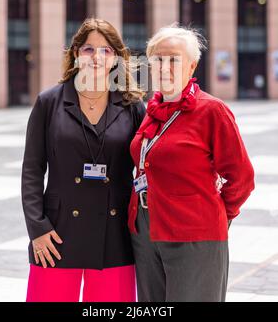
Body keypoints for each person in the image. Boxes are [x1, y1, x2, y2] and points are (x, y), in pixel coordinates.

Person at [21, 18, 146, 302]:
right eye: (89, 49)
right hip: (56, 232)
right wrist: (37, 228)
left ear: (116, 57)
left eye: (106, 50)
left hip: (115, 234)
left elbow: (151, 160)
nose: (97, 57)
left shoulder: (132, 104)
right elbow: (32, 169)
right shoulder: (49, 102)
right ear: (76, 54)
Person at [128, 24, 255, 302]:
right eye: (157, 60)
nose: (163, 67)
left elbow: (242, 177)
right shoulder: (152, 111)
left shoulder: (212, 111)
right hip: (147, 231)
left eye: (173, 59)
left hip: (194, 232)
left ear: (192, 66)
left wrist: (221, 213)